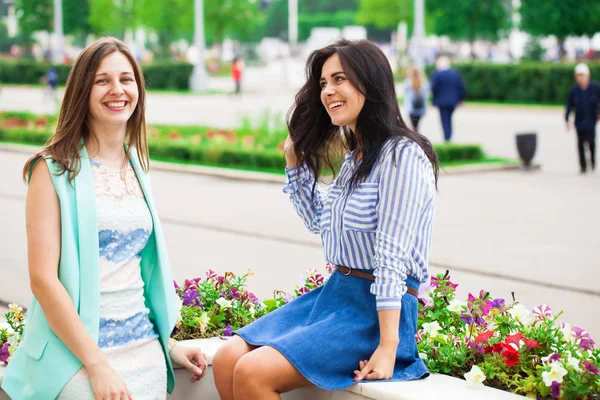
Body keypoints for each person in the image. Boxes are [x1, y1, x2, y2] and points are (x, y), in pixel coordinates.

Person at [213, 39, 438, 400]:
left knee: (253, 372)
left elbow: (391, 255)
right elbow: (320, 222)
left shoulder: (402, 156)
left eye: (339, 79)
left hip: (373, 313)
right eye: (323, 83)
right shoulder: (356, 157)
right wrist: (293, 160)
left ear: (371, 83)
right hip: (335, 296)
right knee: (226, 359)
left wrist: (388, 344)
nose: (328, 91)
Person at [1, 37, 208, 400]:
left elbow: (133, 270)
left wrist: (168, 345)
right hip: (78, 356)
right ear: (82, 90)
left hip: (143, 347)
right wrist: (96, 365)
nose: (118, 90)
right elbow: (43, 281)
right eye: (102, 80)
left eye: (126, 79)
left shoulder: (136, 164)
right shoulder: (51, 170)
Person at [565, 63, 600, 173]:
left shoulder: (595, 88)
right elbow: (569, 106)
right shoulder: (573, 91)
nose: (581, 77)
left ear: (588, 75)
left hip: (591, 120)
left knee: (591, 143)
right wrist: (567, 120)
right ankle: (583, 166)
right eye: (579, 75)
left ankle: (593, 163)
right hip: (579, 121)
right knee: (580, 144)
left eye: (583, 75)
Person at [430, 56, 466, 142]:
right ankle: (448, 136)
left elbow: (433, 88)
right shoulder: (455, 73)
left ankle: (447, 138)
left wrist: (433, 100)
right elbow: (461, 87)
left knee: (445, 120)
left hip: (442, 102)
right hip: (453, 102)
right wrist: (461, 99)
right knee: (449, 119)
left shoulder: (437, 74)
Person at [403, 66, 428, 132]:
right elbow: (425, 94)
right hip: (420, 107)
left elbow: (405, 91)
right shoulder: (423, 82)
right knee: (417, 124)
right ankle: (416, 133)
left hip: (411, 107)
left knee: (413, 124)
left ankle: (415, 133)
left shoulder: (408, 81)